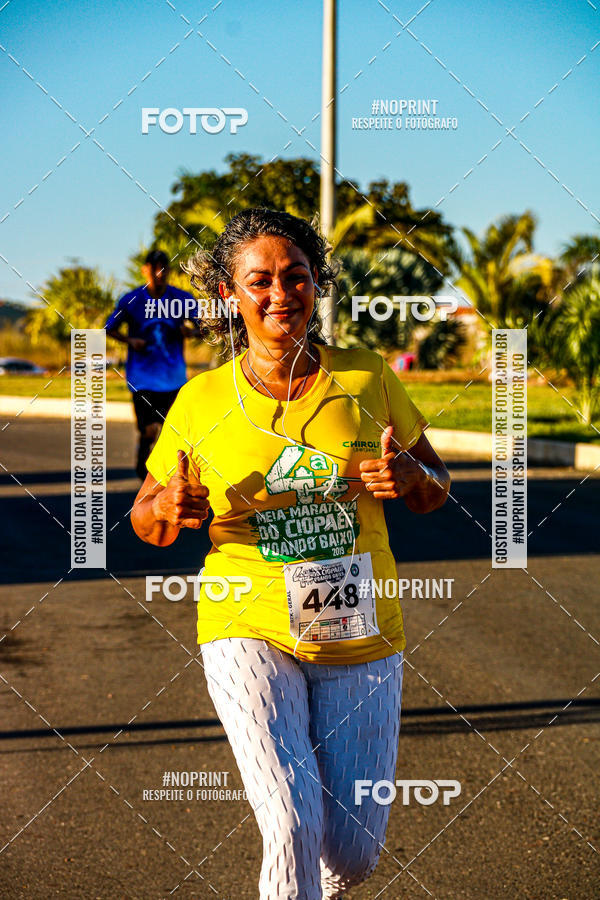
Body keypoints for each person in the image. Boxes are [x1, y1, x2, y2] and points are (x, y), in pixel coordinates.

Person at [131, 209, 450, 899]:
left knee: (353, 856)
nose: (281, 293)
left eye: (297, 276)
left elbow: (435, 487)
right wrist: (168, 509)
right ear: (228, 294)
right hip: (244, 621)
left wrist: (411, 480)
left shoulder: (366, 380)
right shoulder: (199, 401)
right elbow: (145, 516)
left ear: (316, 285)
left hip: (359, 632)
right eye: (260, 280)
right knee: (290, 822)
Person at [105, 249, 197, 479]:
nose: (158, 273)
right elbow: (109, 329)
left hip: (173, 378)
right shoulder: (131, 300)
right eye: (153, 268)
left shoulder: (183, 299)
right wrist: (131, 340)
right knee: (149, 430)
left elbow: (206, 327)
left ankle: (167, 475)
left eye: (163, 268)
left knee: (171, 430)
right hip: (142, 378)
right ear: (145, 270)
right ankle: (143, 462)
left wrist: (191, 331)